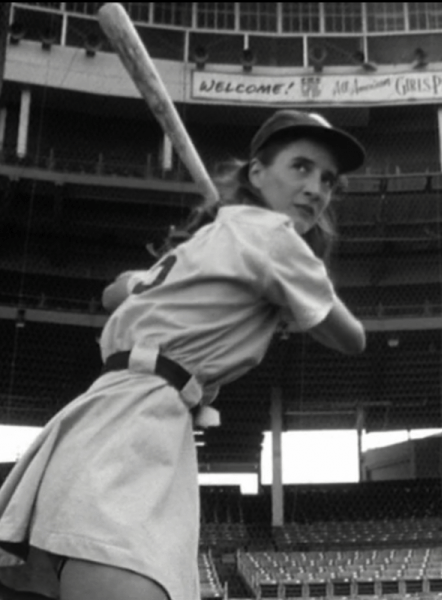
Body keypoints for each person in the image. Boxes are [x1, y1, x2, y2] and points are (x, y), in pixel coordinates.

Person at [0, 110, 368, 600]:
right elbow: (352, 338)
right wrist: (290, 286)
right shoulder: (274, 238)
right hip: (138, 429)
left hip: (92, 422)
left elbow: (115, 292)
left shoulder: (205, 246)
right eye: (300, 168)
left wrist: (143, 280)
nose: (317, 189)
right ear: (257, 173)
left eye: (327, 180)